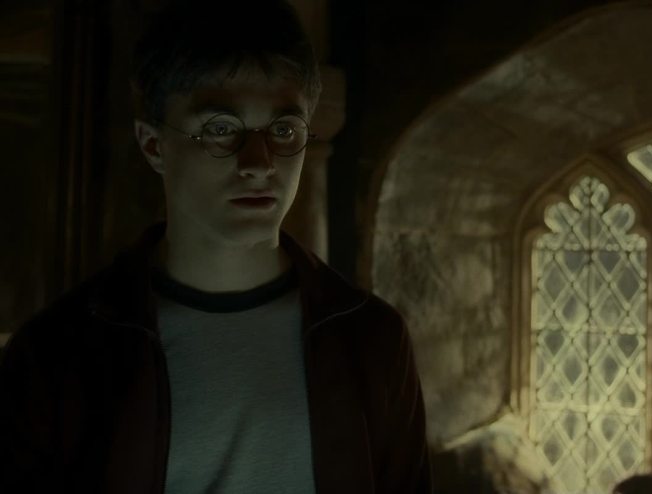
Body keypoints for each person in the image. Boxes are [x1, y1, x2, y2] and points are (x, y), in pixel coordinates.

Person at [0, 0, 432, 492]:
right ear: (154, 145)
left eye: (283, 130)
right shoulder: (57, 354)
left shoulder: (372, 340)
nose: (259, 162)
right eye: (221, 129)